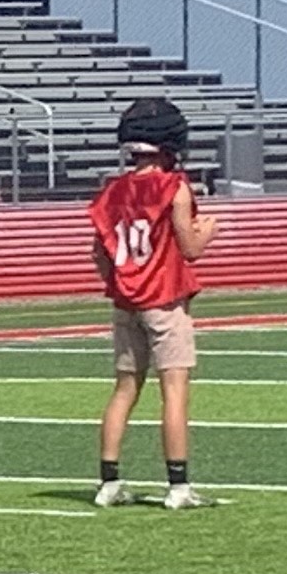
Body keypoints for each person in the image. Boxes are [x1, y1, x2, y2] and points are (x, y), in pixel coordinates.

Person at [88, 96, 219, 511]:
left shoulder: (113, 191)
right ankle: (178, 486)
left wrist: (122, 281)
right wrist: (208, 230)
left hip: (125, 300)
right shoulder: (173, 186)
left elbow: (100, 253)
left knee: (124, 388)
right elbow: (190, 247)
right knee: (174, 391)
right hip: (164, 298)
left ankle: (108, 481)